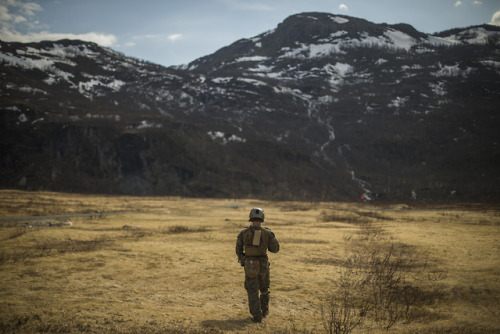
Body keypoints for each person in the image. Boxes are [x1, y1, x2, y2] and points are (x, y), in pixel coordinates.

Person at [235, 208, 280, 323]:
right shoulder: (267, 233)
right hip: (263, 265)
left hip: (250, 265)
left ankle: (257, 316)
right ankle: (264, 311)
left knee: (252, 290)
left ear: (250, 218)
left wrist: (243, 259)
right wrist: (272, 237)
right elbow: (275, 249)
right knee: (264, 289)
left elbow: (238, 249)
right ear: (262, 219)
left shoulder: (243, 233)